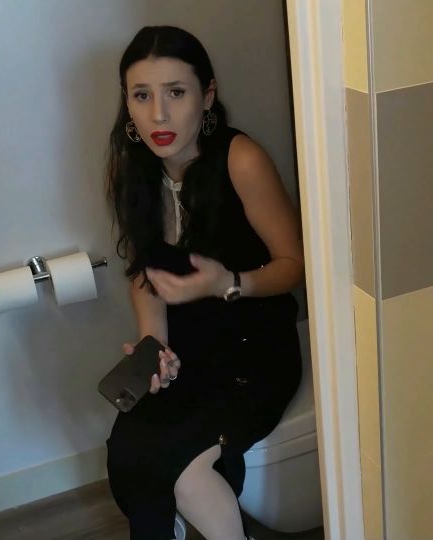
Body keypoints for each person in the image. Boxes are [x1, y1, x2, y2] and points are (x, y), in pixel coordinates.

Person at [104, 25, 305, 540]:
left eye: (176, 92)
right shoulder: (133, 168)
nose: (159, 115)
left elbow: (294, 264)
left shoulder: (241, 160)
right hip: (188, 348)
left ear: (207, 95)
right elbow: (145, 273)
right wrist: (154, 345)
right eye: (142, 95)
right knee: (129, 449)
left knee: (189, 474)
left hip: (255, 351)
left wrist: (227, 283)